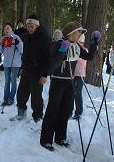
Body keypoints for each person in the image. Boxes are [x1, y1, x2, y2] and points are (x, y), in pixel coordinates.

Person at [40, 21, 101, 151]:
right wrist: (62, 51)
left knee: (66, 110)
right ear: (71, 33)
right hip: (57, 81)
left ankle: (60, 137)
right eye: (79, 32)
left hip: (70, 82)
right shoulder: (58, 44)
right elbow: (52, 65)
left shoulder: (77, 46)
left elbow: (89, 57)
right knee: (53, 110)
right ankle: (46, 140)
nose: (80, 34)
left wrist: (94, 42)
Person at [14, 14, 52, 122]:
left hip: (38, 72)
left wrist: (44, 74)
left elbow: (48, 58)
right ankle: (21, 112)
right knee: (21, 93)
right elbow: (25, 54)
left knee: (36, 96)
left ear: (37, 26)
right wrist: (22, 67)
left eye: (32, 26)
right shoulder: (27, 36)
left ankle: (38, 116)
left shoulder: (44, 37)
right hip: (27, 69)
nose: (30, 28)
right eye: (28, 26)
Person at [0, 22, 23, 106]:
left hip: (15, 63)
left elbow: (22, 50)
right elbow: (0, 51)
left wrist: (17, 43)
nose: (6, 30)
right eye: (5, 29)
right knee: (7, 81)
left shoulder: (16, 37)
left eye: (8, 28)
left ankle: (11, 99)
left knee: (13, 81)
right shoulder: (4, 38)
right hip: (6, 63)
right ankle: (5, 99)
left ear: (12, 29)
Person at [70, 33, 88, 120]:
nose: (80, 44)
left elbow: (81, 62)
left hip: (80, 75)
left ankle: (79, 112)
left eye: (81, 42)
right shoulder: (74, 48)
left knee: (78, 93)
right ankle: (69, 111)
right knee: (71, 93)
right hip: (72, 74)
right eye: (78, 42)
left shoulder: (85, 51)